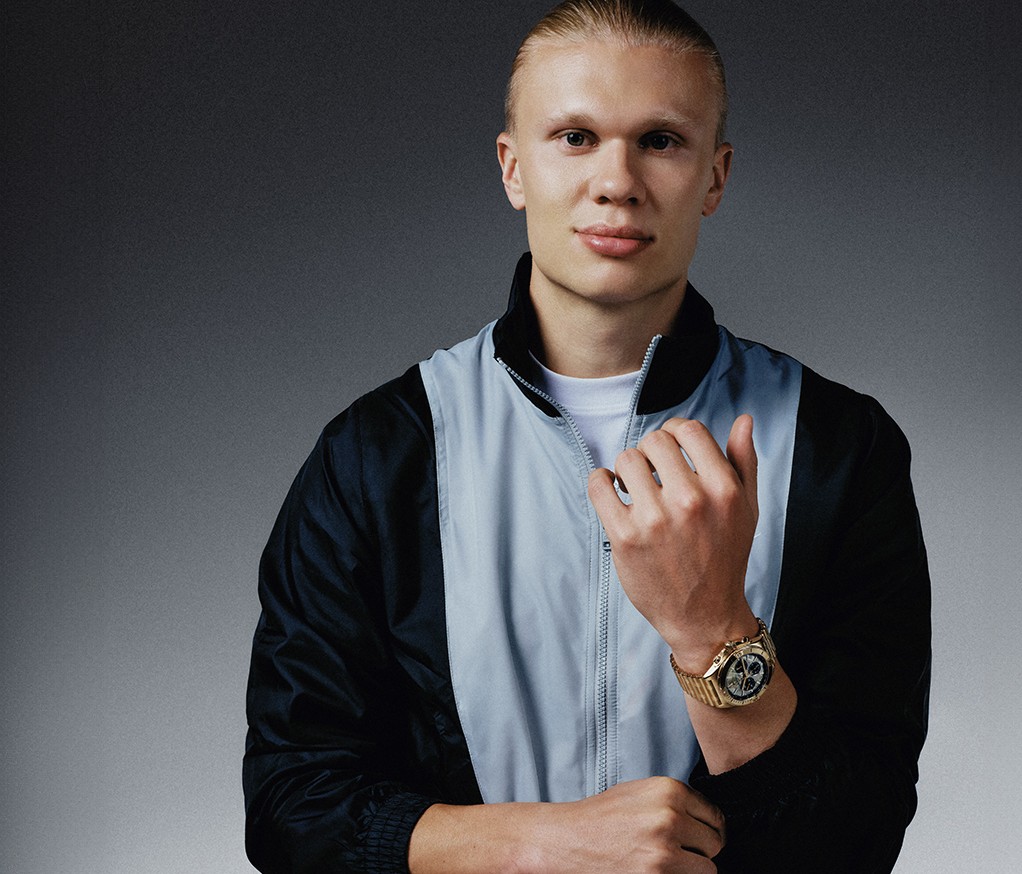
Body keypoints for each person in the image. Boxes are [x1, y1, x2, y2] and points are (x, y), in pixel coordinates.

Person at [243, 1, 931, 871]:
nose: (617, 180)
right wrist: (545, 845)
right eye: (573, 136)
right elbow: (290, 807)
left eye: (661, 140)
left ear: (714, 178)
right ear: (512, 168)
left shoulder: (839, 446)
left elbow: (858, 834)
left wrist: (712, 630)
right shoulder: (378, 453)